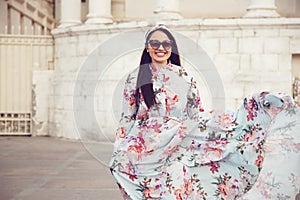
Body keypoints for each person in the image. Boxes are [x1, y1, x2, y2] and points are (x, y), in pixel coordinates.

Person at [109, 24, 300, 199]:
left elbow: (195, 112)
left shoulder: (183, 76)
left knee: (178, 182)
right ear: (147, 47)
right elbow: (127, 116)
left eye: (166, 43)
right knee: (137, 182)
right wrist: (120, 145)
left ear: (172, 47)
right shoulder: (136, 76)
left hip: (178, 142)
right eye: (155, 43)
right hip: (147, 147)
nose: (161, 47)